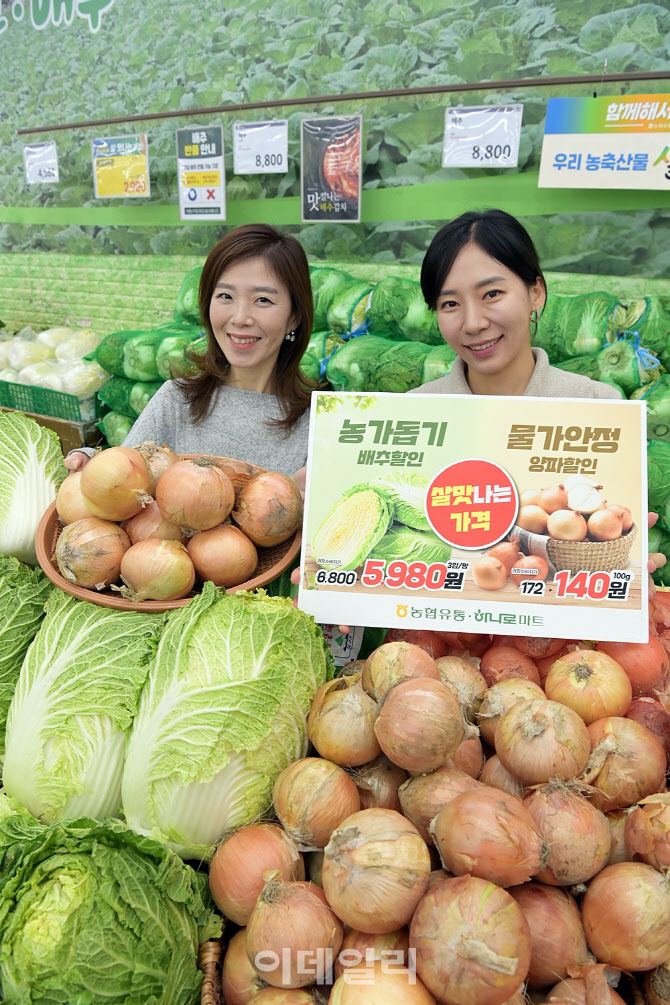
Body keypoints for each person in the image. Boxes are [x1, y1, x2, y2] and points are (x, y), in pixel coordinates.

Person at [65, 223, 314, 484]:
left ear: (294, 317)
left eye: (263, 300)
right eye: (225, 296)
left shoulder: (319, 424)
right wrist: (90, 463)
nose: (240, 318)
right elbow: (124, 477)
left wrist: (305, 508)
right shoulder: (176, 399)